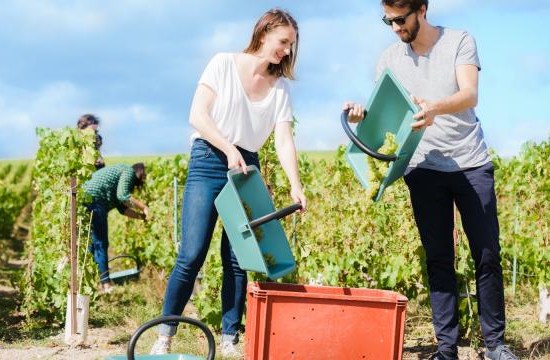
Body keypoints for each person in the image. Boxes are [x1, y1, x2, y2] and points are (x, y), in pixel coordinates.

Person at [343, 1, 517, 359]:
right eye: (388, 21)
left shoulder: (459, 41)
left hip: (471, 163)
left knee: (487, 254)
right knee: (438, 258)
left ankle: (496, 346)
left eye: (400, 19)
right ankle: (447, 349)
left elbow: (470, 94)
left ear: (422, 9)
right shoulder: (389, 59)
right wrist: (362, 115)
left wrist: (435, 107)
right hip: (422, 168)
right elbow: (384, 115)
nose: (395, 28)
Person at [150, 8, 306, 357]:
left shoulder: (280, 89)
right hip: (208, 158)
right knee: (191, 254)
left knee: (238, 257)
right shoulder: (222, 63)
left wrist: (295, 184)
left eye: (291, 46)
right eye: (283, 42)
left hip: (246, 167)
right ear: (263, 33)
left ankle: (229, 338)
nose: (285, 51)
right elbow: (198, 116)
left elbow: (283, 141)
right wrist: (226, 146)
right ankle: (164, 336)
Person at [82, 163, 150, 293]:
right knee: (100, 244)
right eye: (144, 175)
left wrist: (142, 217)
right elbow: (123, 196)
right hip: (95, 200)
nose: (144, 178)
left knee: (90, 245)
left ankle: (88, 283)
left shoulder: (118, 177)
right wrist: (145, 208)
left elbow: (122, 209)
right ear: (139, 172)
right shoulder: (128, 170)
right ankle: (106, 284)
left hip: (84, 198)